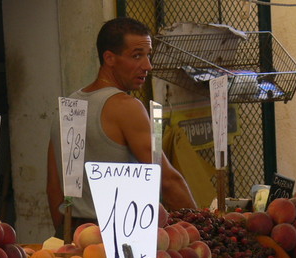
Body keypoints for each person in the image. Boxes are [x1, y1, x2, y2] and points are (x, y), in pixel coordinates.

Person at [46, 17, 196, 236]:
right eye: (137, 56)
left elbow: (54, 187)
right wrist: (203, 230)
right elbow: (167, 180)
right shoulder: (127, 107)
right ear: (109, 58)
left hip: (75, 233)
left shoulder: (68, 106)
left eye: (148, 55)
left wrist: (68, 238)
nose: (147, 66)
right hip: (121, 235)